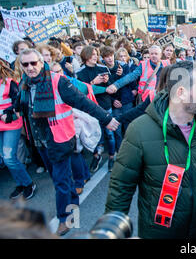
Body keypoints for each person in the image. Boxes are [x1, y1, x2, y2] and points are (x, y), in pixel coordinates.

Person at [104, 61, 196, 239]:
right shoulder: (140, 130)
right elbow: (121, 189)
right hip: (159, 234)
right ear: (180, 93)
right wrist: (113, 233)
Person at [15, 49, 119, 236]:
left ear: (41, 62)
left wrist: (106, 118)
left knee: (60, 182)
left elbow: (83, 102)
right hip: (40, 141)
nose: (30, 68)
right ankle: (73, 201)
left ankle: (66, 218)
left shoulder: (57, 81)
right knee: (60, 179)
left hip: (60, 139)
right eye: (25, 64)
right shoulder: (25, 83)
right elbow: (21, 106)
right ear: (21, 66)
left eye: (33, 63)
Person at [76, 46, 116, 172]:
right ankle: (96, 156)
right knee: (94, 134)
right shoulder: (80, 72)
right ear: (86, 56)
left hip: (105, 105)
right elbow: (80, 92)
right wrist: (93, 83)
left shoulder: (103, 68)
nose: (95, 56)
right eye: (92, 54)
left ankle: (111, 157)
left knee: (110, 134)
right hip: (90, 107)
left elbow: (111, 88)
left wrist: (108, 81)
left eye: (96, 54)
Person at [0, 59, 35, 200]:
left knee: (8, 157)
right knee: (5, 157)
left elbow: (19, 102)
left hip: (10, 123)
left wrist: (8, 114)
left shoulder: (9, 82)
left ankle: (28, 184)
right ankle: (21, 183)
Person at [106, 45, 171, 104]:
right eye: (152, 54)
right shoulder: (143, 65)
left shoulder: (167, 64)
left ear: (160, 55)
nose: (153, 55)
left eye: (156, 54)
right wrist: (116, 85)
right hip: (146, 100)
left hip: (161, 99)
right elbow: (131, 76)